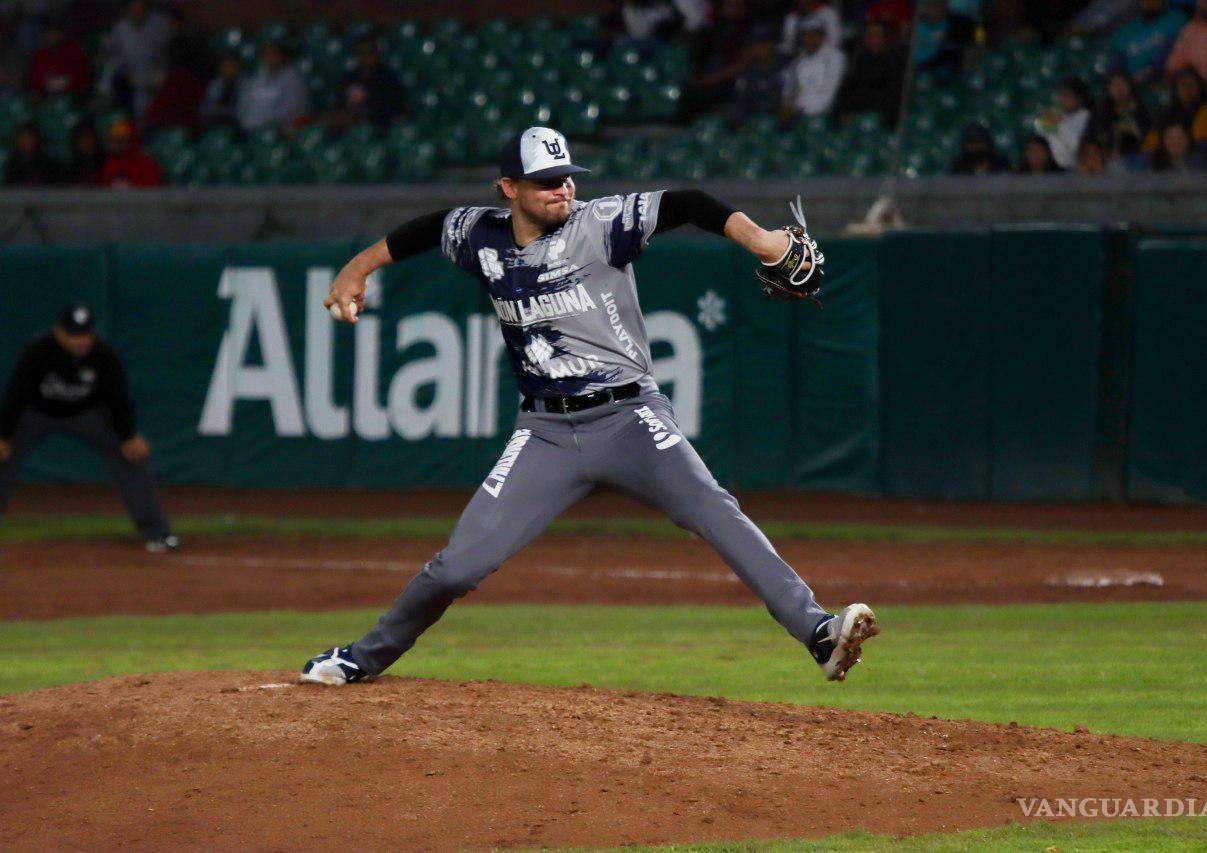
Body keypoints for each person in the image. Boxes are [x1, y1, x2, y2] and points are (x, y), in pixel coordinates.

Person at [299, 126, 878, 686]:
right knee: (458, 567)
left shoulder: (599, 224)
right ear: (509, 189)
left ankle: (818, 632)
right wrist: (358, 268)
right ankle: (364, 658)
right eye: (547, 180)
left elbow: (689, 203)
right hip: (545, 432)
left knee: (714, 509)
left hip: (631, 418)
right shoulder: (480, 234)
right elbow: (424, 231)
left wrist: (760, 239)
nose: (564, 189)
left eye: (567, 177)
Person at [0, 303, 178, 552]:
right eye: (74, 334)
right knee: (2, 457)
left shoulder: (104, 354)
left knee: (131, 456)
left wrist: (128, 437)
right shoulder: (37, 351)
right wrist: (4, 436)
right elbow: (16, 393)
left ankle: (155, 533)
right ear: (59, 332)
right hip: (36, 412)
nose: (82, 340)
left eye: (86, 334)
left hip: (86, 414)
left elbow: (117, 398)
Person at [100, 0, 172, 117]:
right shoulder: (120, 28)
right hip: (126, 78)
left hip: (149, 76)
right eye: (133, 8)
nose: (137, 12)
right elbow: (110, 54)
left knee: (146, 100)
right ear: (127, 10)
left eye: (140, 8)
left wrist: (160, 73)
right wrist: (124, 72)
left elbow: (163, 55)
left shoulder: (157, 26)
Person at [836, 19, 906, 126]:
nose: (872, 39)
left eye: (877, 35)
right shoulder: (856, 59)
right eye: (869, 35)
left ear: (885, 38)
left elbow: (892, 99)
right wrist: (845, 112)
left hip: (878, 119)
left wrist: (862, 116)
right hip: (853, 117)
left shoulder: (896, 62)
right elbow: (847, 90)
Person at [779, 22, 845, 124]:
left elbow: (828, 97)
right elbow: (788, 92)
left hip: (825, 116)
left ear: (822, 36)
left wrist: (798, 109)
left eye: (814, 35)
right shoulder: (797, 61)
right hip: (798, 116)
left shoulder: (834, 57)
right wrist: (787, 107)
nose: (810, 39)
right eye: (806, 35)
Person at [1109, 0, 1188, 84]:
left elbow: (1172, 50)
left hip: (1168, 84)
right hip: (1132, 90)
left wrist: (1151, 70)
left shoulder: (1176, 19)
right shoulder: (1125, 31)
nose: (1149, 2)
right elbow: (1115, 66)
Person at [236, 41, 309, 132]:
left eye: (274, 54)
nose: (270, 58)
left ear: (282, 56)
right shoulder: (255, 79)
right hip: (249, 129)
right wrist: (246, 122)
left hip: (278, 131)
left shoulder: (293, 80)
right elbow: (242, 104)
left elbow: (291, 110)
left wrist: (266, 124)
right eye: (267, 54)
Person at [332, 38, 404, 129]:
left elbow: (392, 110)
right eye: (361, 53)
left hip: (379, 128)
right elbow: (340, 105)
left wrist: (363, 116)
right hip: (350, 127)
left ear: (376, 55)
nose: (365, 57)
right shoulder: (349, 79)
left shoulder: (388, 79)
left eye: (369, 53)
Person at [1144, 65, 1207, 152]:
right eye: (1183, 84)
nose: (1188, 89)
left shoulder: (1206, 110)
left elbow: (1199, 141)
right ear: (1175, 88)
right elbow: (1149, 146)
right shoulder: (1166, 112)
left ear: (1200, 88)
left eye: (1192, 85)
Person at [1085, 71, 1152, 163]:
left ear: (1130, 86)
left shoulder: (1143, 112)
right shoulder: (1099, 113)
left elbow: (1150, 139)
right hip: (1104, 164)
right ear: (1108, 88)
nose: (1119, 87)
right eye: (1114, 84)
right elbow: (1090, 139)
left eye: (1123, 83)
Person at [727, 31, 784, 127]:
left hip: (776, 121)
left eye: (766, 43)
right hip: (751, 119)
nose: (763, 48)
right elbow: (741, 100)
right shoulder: (747, 73)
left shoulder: (786, 69)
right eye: (759, 44)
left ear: (773, 45)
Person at [1036, 76, 1093, 169]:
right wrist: (1042, 123)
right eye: (1061, 96)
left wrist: (1060, 124)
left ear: (1080, 98)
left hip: (1076, 171)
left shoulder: (1088, 117)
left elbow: (1078, 148)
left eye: (1068, 96)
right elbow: (1043, 141)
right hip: (1051, 171)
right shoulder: (1054, 114)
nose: (1063, 100)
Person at [25, 18, 89, 100]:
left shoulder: (74, 52)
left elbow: (81, 77)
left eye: (55, 33)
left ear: (61, 34)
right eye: (49, 33)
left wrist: (65, 84)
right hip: (44, 97)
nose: (52, 36)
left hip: (70, 96)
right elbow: (33, 80)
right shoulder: (39, 55)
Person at [99, 118, 162, 187]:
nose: (115, 145)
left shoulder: (146, 163)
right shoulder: (108, 164)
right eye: (112, 140)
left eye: (120, 141)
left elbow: (153, 190)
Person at [198, 54, 244, 128]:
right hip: (214, 121)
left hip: (237, 124)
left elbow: (242, 110)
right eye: (224, 66)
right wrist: (210, 110)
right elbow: (203, 108)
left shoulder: (245, 84)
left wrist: (222, 110)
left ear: (237, 68)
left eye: (231, 66)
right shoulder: (215, 84)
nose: (228, 70)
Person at [61, 118, 104, 185]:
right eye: (82, 139)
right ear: (75, 142)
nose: (86, 142)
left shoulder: (105, 164)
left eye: (88, 137)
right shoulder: (68, 169)